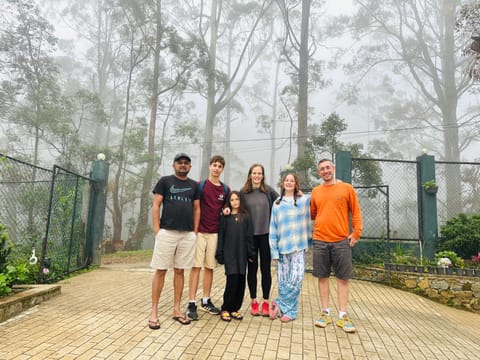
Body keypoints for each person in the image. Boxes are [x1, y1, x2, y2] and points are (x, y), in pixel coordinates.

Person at [148, 153, 200, 329]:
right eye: (180, 163)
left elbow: (197, 208)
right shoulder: (165, 181)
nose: (183, 165)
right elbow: (156, 205)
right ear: (174, 165)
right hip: (167, 232)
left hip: (187, 234)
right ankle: (154, 312)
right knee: (160, 271)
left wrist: (195, 231)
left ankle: (177, 310)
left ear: (190, 166)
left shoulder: (194, 185)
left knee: (180, 271)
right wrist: (157, 230)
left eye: (186, 163)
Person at [310, 158, 362, 333]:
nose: (325, 171)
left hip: (341, 241)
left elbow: (356, 212)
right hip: (320, 240)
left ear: (333, 168)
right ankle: (325, 313)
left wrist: (356, 233)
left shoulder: (347, 188)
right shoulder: (316, 192)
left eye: (327, 167)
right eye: (322, 169)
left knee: (343, 279)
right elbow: (314, 213)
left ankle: (343, 316)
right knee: (322, 277)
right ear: (319, 173)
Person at [186, 155, 230, 320]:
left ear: (222, 169)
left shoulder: (225, 189)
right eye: (214, 165)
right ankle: (191, 303)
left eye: (219, 166)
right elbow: (192, 207)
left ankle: (206, 300)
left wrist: (226, 210)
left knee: (209, 267)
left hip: (215, 233)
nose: (216, 168)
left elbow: (228, 207)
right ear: (210, 167)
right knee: (196, 267)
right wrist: (192, 230)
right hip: (199, 233)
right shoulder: (200, 186)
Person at [269, 172, 311, 323]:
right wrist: (274, 251)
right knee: (283, 281)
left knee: (296, 279)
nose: (289, 182)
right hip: (282, 248)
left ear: (296, 184)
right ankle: (287, 311)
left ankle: (280, 303)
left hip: (298, 246)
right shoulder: (277, 204)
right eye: (286, 180)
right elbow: (273, 228)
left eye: (292, 180)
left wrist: (302, 193)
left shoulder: (304, 200)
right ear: (282, 183)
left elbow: (318, 196)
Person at [240, 164, 279, 316]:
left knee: (265, 270)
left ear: (263, 176)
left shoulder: (268, 191)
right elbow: (235, 206)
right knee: (252, 269)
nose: (256, 176)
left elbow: (282, 201)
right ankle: (254, 301)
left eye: (259, 173)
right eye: (254, 173)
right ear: (250, 175)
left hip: (266, 236)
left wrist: (297, 195)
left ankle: (265, 301)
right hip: (250, 238)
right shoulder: (244, 192)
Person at [215, 191, 255, 322]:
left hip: (242, 254)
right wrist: (219, 252)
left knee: (240, 281)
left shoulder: (246, 217)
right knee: (231, 281)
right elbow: (221, 236)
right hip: (229, 254)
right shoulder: (225, 217)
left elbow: (249, 237)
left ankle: (235, 309)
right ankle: (226, 308)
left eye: (237, 199)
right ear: (228, 202)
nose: (235, 202)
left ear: (240, 201)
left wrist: (251, 253)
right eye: (232, 200)